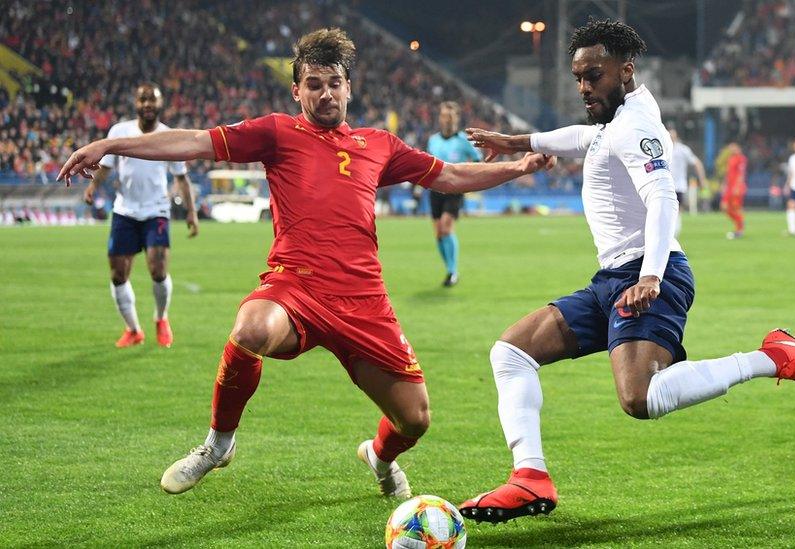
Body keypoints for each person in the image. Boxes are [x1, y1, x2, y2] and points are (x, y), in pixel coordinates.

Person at [59, 28, 554, 498]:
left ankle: (379, 457)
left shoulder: (378, 144)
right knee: (250, 329)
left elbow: (448, 176)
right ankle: (218, 444)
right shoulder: (276, 133)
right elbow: (192, 141)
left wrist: (516, 167)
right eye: (313, 85)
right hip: (295, 287)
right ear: (297, 91)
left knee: (415, 419)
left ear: (348, 88)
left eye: (333, 84)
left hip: (364, 300)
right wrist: (109, 144)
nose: (325, 94)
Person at [459, 19, 795, 523]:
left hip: (647, 277)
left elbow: (663, 197)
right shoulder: (617, 118)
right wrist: (520, 141)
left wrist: (651, 275)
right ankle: (529, 477)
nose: (583, 87)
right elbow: (582, 138)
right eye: (578, 77)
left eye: (592, 76)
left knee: (641, 398)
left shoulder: (636, 125)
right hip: (612, 279)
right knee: (512, 352)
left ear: (625, 70)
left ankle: (771, 357)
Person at [84, 84, 199, 348]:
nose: (148, 104)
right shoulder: (119, 132)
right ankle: (133, 329)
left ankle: (161, 318)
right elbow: (105, 167)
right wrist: (93, 186)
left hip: (156, 210)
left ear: (161, 105)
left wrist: (191, 212)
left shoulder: (170, 136)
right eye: (143, 99)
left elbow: (181, 177)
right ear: (136, 103)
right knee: (118, 274)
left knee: (158, 269)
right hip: (125, 211)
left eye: (153, 100)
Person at [425, 101, 483, 287]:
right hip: (435, 190)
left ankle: (453, 271)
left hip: (455, 190)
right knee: (439, 233)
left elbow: (478, 161)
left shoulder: (464, 141)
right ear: (440, 118)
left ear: (456, 119)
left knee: (446, 227)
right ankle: (449, 269)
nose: (447, 120)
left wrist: (468, 179)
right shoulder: (433, 140)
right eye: (444, 116)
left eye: (450, 117)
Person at [668, 128, 707, 232]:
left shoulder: (683, 149)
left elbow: (697, 163)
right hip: (665, 184)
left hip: (679, 185)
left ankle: (675, 231)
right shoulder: (662, 148)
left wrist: (702, 180)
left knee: (677, 209)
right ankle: (671, 230)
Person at [722, 142, 747, 239]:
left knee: (736, 208)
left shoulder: (741, 159)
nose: (731, 150)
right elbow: (728, 174)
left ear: (738, 148)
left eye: (733, 148)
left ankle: (739, 230)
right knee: (724, 207)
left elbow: (741, 174)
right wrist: (724, 185)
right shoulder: (730, 159)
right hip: (729, 187)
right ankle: (740, 221)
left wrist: (737, 187)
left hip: (737, 188)